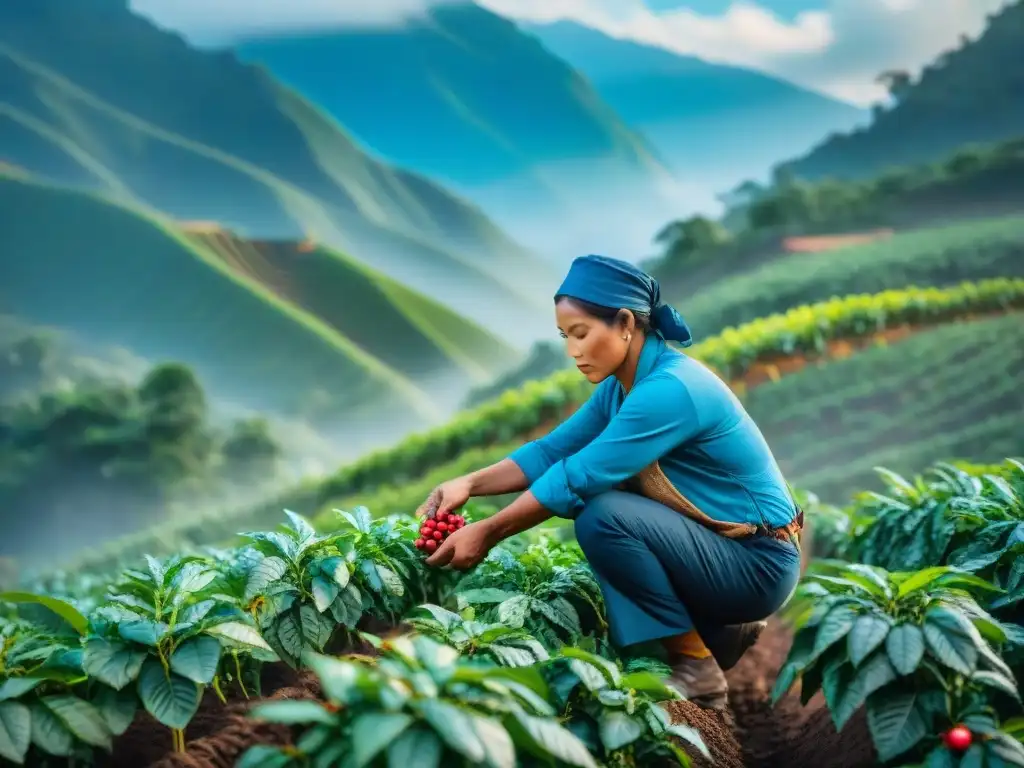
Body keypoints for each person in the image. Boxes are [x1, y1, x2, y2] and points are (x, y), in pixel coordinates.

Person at [418, 254, 803, 710]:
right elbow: (551, 451)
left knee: (603, 514)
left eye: (581, 334)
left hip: (757, 564)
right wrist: (469, 483)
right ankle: (716, 627)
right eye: (565, 337)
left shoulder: (670, 389)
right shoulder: (623, 387)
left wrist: (487, 532)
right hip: (726, 551)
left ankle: (696, 665)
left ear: (624, 323)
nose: (573, 351)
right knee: (607, 504)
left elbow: (578, 476)